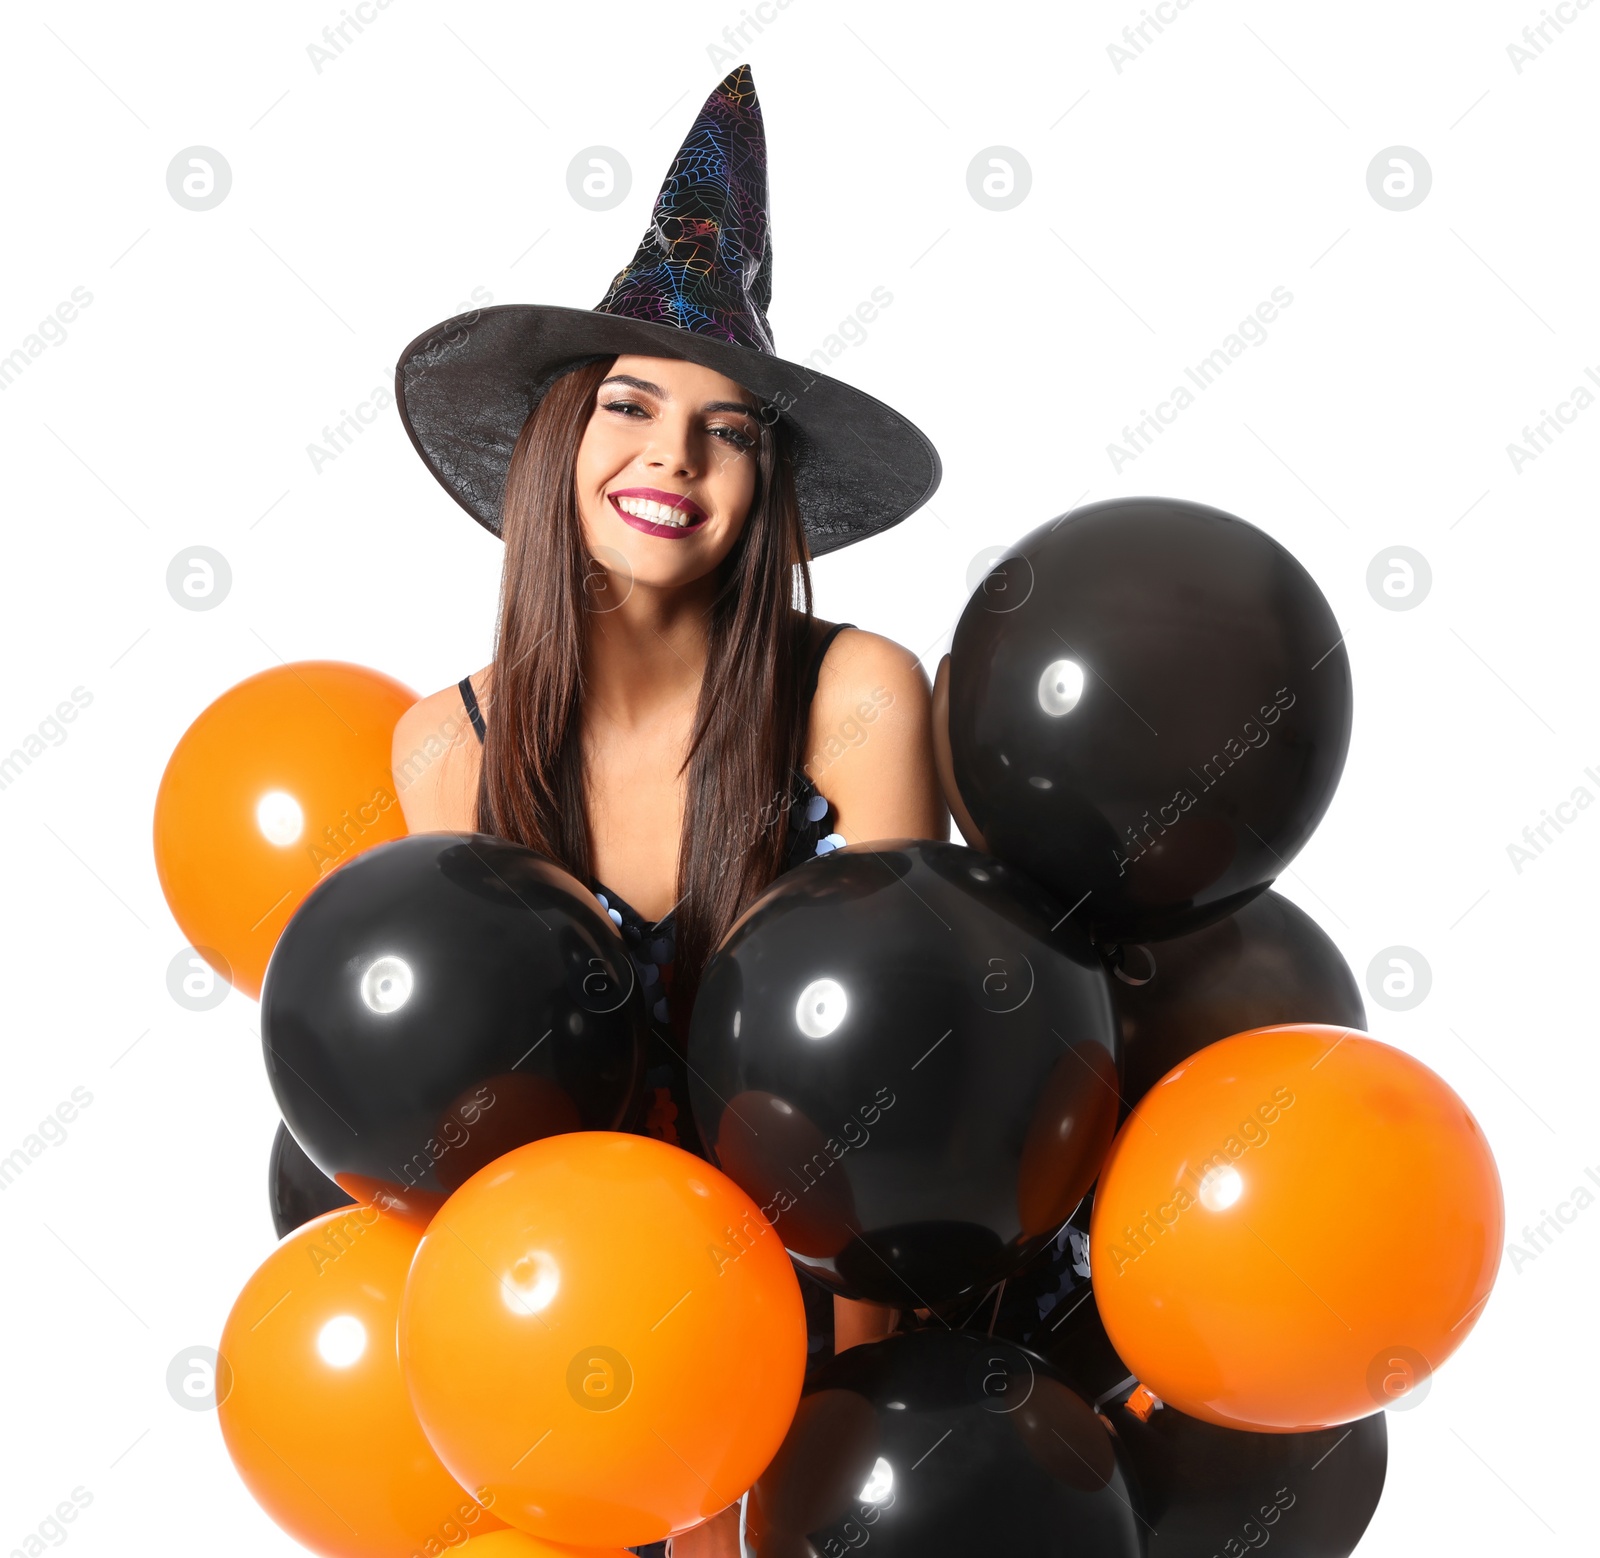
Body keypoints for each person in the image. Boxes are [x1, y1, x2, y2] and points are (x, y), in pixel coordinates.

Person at [388, 66, 946, 1558]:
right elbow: (445, 1146)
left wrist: (837, 1449)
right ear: (559, 441)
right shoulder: (448, 752)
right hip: (570, 1351)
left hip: (831, 1333)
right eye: (630, 407)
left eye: (728, 430)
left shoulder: (862, 706)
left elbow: (917, 1091)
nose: (673, 461)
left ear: (764, 487)